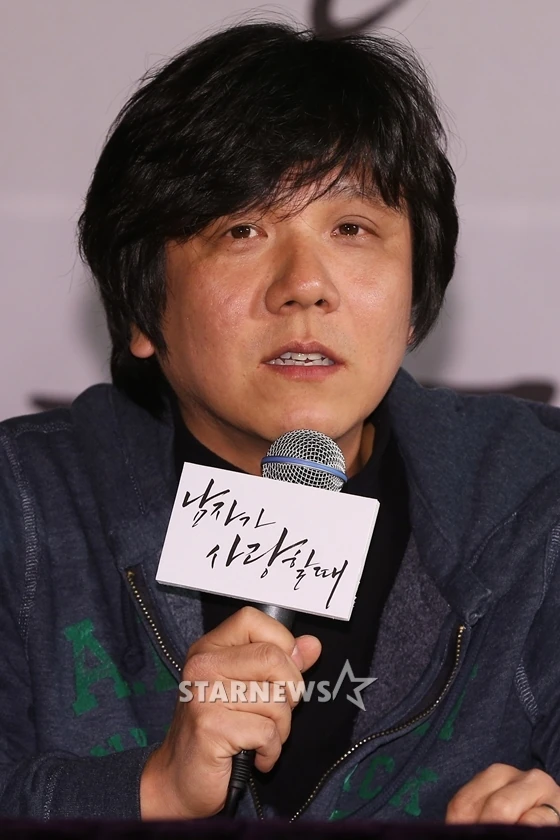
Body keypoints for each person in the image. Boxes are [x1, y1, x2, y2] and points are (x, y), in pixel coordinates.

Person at [1, 20, 560, 827]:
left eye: (351, 229)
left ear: (413, 299)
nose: (305, 285)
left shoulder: (534, 494)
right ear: (142, 309)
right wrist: (150, 790)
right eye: (243, 230)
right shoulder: (24, 507)